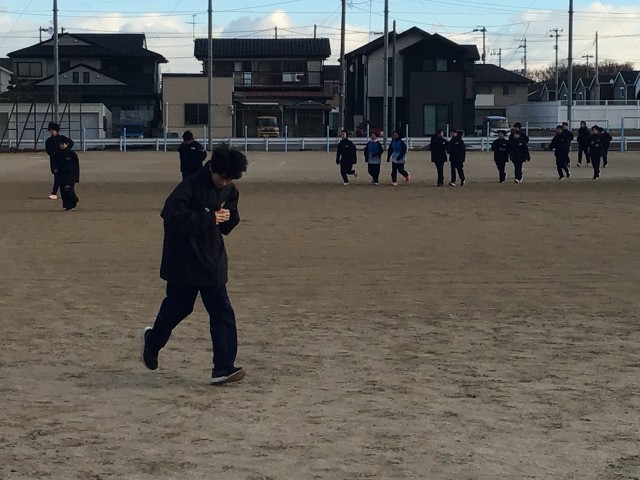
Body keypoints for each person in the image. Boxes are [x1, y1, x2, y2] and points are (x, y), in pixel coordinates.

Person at [141, 146, 249, 385]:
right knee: (178, 308)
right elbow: (172, 217)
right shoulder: (188, 187)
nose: (226, 183)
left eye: (231, 179)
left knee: (222, 312)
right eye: (223, 177)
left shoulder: (230, 189)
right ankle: (153, 341)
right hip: (184, 261)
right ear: (212, 168)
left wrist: (229, 217)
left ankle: (223, 368)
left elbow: (228, 222)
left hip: (212, 259)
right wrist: (209, 218)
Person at [45, 122, 74, 200]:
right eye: (50, 130)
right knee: (57, 177)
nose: (52, 131)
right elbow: (49, 151)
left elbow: (71, 143)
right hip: (55, 162)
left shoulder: (62, 138)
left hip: (64, 161)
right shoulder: (48, 141)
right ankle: (54, 193)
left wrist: (66, 149)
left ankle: (61, 192)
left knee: (65, 177)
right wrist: (54, 154)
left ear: (57, 130)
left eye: (53, 130)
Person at [52, 137, 80, 211]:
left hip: (70, 175)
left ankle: (74, 201)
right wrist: (55, 169)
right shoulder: (57, 154)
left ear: (67, 144)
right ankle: (67, 205)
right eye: (60, 144)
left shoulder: (72, 154)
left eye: (63, 144)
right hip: (61, 175)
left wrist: (76, 177)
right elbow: (54, 163)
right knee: (63, 191)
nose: (61, 145)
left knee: (69, 190)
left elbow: (76, 166)